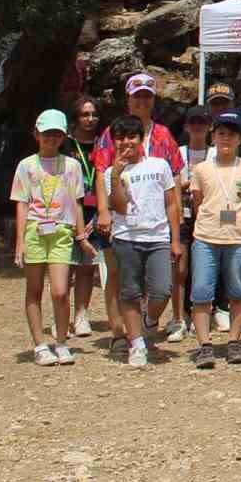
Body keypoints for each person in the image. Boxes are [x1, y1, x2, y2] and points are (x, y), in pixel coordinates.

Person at [105, 113, 182, 368]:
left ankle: (149, 320)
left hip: (157, 236)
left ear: (142, 138)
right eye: (119, 138)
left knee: (162, 289)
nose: (126, 142)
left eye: (131, 136)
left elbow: (171, 203)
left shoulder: (159, 166)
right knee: (129, 292)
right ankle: (136, 343)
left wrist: (175, 239)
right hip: (127, 237)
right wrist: (116, 177)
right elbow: (120, 207)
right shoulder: (110, 173)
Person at [12, 109, 87, 366]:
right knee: (33, 290)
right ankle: (39, 344)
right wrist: (20, 241)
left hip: (61, 230)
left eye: (56, 134)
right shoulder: (26, 165)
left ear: (63, 136)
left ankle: (62, 342)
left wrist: (80, 236)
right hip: (35, 228)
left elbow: (77, 203)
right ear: (36, 134)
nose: (51, 139)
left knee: (60, 291)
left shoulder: (72, 165)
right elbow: (22, 204)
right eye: (46, 134)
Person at [186, 110, 241, 368]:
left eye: (231, 134)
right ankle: (205, 345)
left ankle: (233, 341)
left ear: (240, 138)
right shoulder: (201, 168)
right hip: (206, 237)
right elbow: (197, 203)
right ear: (213, 136)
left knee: (238, 291)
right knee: (201, 292)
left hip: (238, 238)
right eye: (220, 133)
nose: (225, 138)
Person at [167, 105, 214, 342]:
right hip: (183, 213)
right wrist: (190, 184)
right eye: (193, 122)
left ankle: (200, 314)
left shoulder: (215, 153)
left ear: (209, 127)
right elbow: (172, 185)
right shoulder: (177, 152)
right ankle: (177, 317)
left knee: (203, 268)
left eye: (202, 123)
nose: (197, 127)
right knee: (180, 269)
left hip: (208, 216)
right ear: (186, 126)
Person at [63, 95, 103, 337]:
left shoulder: (103, 144)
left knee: (87, 267)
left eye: (94, 114)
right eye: (85, 115)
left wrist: (99, 215)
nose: (90, 119)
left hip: (95, 211)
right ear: (75, 118)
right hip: (67, 210)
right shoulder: (65, 145)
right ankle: (62, 315)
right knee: (66, 266)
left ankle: (81, 315)